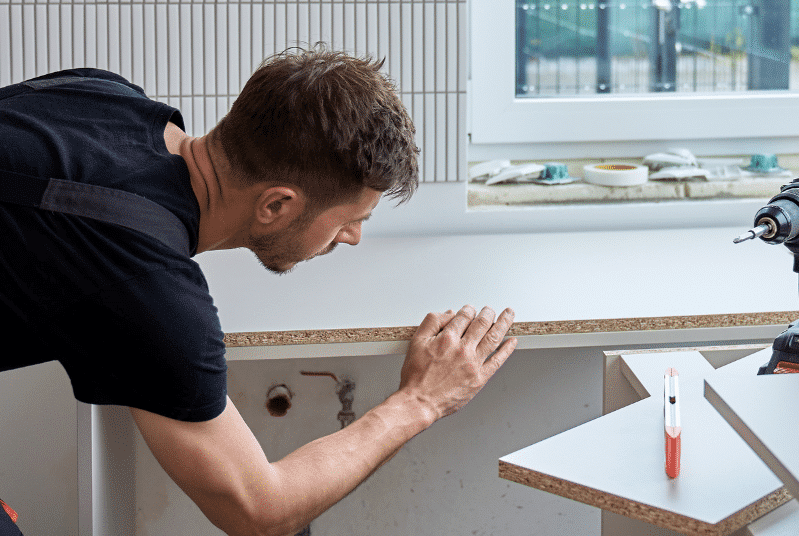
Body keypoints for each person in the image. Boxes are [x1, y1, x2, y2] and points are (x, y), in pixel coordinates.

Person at [0, 47, 516, 536]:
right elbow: (260, 511)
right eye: (350, 221)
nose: (354, 238)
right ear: (275, 206)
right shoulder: (146, 285)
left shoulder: (105, 95)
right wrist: (421, 401)